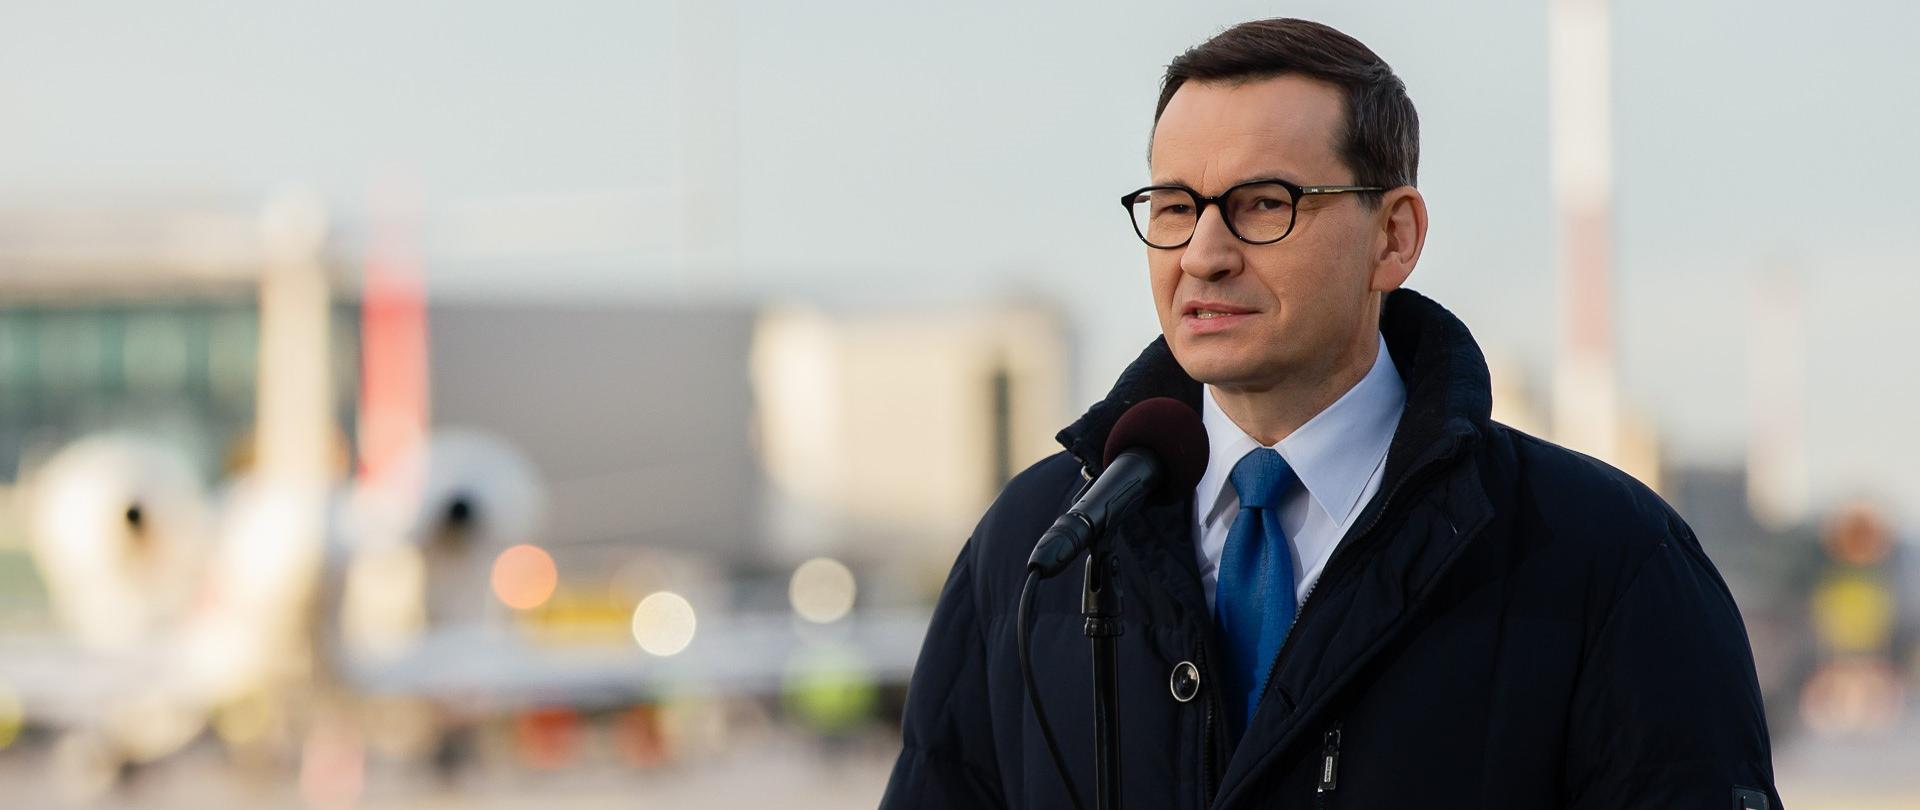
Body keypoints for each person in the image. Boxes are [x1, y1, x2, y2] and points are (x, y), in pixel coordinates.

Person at [878, 16, 1782, 810]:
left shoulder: (1605, 559)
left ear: (1394, 237)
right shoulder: (1038, 547)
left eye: (1263, 205)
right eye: (1175, 205)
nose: (1203, 253)